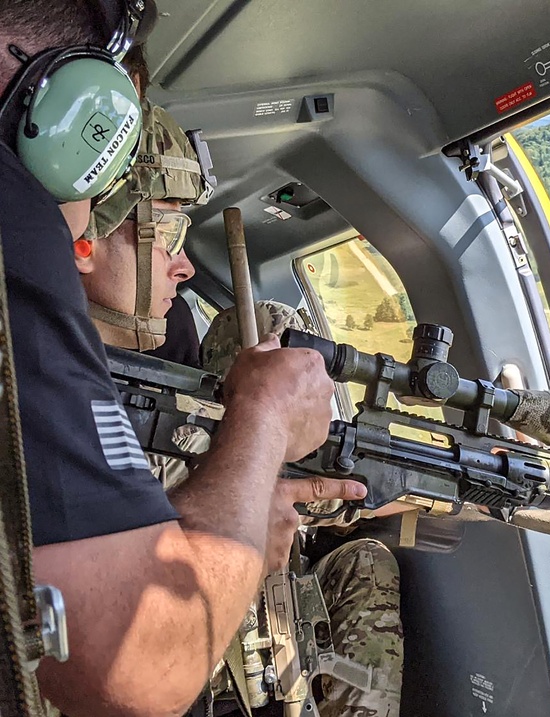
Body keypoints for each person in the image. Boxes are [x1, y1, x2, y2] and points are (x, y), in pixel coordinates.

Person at [0, 3, 366, 715]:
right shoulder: (17, 232)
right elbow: (138, 661)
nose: (182, 268)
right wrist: (260, 426)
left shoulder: (165, 354)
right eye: (162, 232)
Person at [202, 301, 404, 717]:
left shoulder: (286, 446)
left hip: (269, 615)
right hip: (200, 638)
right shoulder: (184, 439)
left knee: (363, 560)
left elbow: (358, 493)